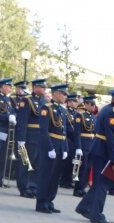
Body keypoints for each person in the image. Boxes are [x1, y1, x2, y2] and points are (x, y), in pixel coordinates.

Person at [75, 87, 114, 223]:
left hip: (100, 150)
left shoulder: (111, 110)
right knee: (102, 185)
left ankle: (84, 207)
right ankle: (96, 215)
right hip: (103, 151)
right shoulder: (111, 113)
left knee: (100, 183)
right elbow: (110, 137)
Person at [35, 84, 69, 214]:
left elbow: (64, 131)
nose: (65, 96)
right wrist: (50, 148)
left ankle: (49, 201)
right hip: (50, 146)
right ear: (55, 93)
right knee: (46, 175)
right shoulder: (46, 108)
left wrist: (65, 148)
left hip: (60, 146)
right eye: (63, 94)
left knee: (55, 177)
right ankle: (41, 203)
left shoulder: (62, 110)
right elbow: (44, 130)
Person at [0, 78, 16, 188]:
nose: (10, 88)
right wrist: (7, 117)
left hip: (7, 130)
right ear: (2, 86)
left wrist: (13, 117)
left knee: (3, 156)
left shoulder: (9, 100)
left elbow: (13, 112)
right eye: (8, 86)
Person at [73, 95, 97, 197]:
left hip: (91, 144)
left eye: (94, 105)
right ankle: (77, 189)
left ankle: (82, 188)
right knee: (81, 167)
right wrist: (78, 147)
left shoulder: (93, 117)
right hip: (83, 143)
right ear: (86, 104)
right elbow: (77, 132)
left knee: (88, 167)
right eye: (91, 104)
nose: (93, 107)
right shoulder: (80, 115)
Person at [59, 91, 81, 189]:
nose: (76, 103)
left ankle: (69, 179)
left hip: (74, 140)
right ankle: (64, 180)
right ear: (69, 102)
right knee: (67, 161)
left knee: (73, 161)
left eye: (76, 101)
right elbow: (66, 126)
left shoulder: (76, 113)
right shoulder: (65, 111)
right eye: (74, 101)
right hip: (68, 139)